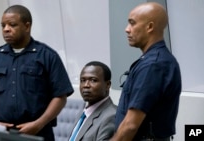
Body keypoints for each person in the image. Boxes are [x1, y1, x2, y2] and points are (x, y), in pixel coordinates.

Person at [0, 5, 74, 141]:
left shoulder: (47, 56)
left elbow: (60, 97)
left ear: (27, 26)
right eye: (3, 26)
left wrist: (38, 124)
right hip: (1, 134)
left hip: (37, 133)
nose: (6, 29)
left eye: (12, 25)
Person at [110, 2, 182, 141]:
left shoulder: (153, 65)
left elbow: (130, 125)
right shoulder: (156, 60)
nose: (127, 29)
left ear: (149, 27)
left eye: (132, 23)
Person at [69, 61, 117, 141]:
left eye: (93, 80)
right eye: (82, 80)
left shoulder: (111, 116)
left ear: (107, 85)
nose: (86, 85)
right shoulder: (84, 112)